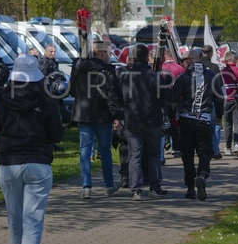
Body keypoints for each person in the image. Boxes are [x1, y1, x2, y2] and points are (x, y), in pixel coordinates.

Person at [0, 54, 64, 244]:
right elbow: (56, 133)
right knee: (33, 219)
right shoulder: (45, 98)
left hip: (9, 162)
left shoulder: (2, 98)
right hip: (37, 163)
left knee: (15, 218)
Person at [116, 44, 171, 200]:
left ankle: (136, 189)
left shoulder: (123, 75)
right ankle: (154, 187)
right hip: (152, 119)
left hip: (132, 120)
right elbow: (167, 95)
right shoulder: (154, 75)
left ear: (132, 57)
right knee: (154, 154)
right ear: (147, 57)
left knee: (135, 155)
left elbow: (118, 96)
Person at [70, 40, 123, 198]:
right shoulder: (107, 70)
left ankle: (86, 187)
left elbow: (72, 89)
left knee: (85, 150)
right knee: (105, 150)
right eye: (108, 53)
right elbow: (112, 94)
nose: (110, 56)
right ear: (101, 53)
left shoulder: (79, 68)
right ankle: (108, 185)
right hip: (103, 114)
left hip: (84, 113)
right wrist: (116, 115)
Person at [172, 48, 223, 201]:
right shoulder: (210, 75)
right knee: (204, 152)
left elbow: (173, 97)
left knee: (187, 155)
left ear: (191, 60)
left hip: (186, 120)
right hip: (204, 119)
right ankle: (202, 176)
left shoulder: (183, 76)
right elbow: (219, 98)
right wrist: (219, 115)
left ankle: (190, 188)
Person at [200, 45, 222, 159]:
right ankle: (214, 150)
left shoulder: (196, 66)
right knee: (214, 126)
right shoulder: (214, 67)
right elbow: (220, 83)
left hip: (197, 100)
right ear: (211, 54)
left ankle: (200, 150)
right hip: (210, 100)